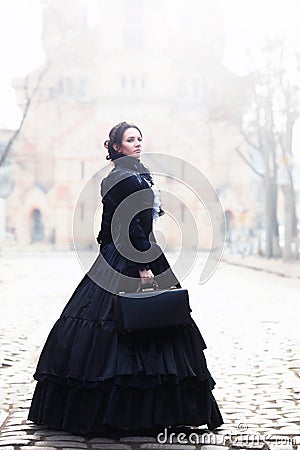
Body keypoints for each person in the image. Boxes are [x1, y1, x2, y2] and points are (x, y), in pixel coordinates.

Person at [27, 121, 223, 436]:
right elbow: (128, 223)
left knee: (155, 323)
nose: (137, 143)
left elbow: (107, 230)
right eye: (130, 139)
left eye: (139, 138)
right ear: (116, 146)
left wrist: (115, 252)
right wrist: (141, 263)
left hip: (130, 252)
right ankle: (129, 412)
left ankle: (151, 409)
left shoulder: (133, 175)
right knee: (134, 324)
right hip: (136, 255)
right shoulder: (124, 178)